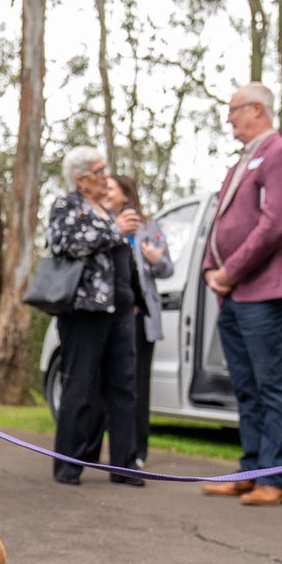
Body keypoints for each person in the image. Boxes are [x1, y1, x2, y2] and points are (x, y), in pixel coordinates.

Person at [201, 83, 282, 505]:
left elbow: (274, 222)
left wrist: (230, 271)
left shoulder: (276, 152)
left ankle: (275, 477)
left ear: (257, 108)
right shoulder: (243, 161)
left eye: (234, 110)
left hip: (262, 293)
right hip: (233, 296)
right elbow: (222, 222)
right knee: (246, 387)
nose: (229, 118)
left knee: (272, 386)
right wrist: (209, 271)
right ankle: (251, 468)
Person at [46, 146, 147, 488]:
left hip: (120, 310)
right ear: (81, 178)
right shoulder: (67, 205)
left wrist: (135, 297)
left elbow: (123, 259)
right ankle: (68, 465)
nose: (107, 177)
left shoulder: (107, 210)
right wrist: (115, 229)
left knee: (124, 385)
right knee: (80, 384)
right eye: (100, 171)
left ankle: (125, 465)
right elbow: (64, 243)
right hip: (84, 311)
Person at [103, 173, 174, 467]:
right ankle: (112, 450)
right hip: (111, 316)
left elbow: (168, 268)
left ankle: (138, 452)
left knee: (138, 386)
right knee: (112, 384)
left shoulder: (150, 227)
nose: (106, 190)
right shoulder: (103, 223)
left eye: (112, 188)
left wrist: (156, 259)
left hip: (141, 320)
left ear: (126, 195)